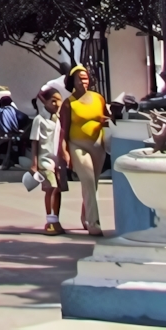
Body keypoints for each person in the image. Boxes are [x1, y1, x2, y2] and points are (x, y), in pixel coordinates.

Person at [59, 65, 109, 237]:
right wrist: (64, 151)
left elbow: (106, 118)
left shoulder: (98, 98)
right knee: (87, 180)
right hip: (78, 145)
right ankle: (94, 223)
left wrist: (106, 120)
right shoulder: (68, 103)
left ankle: (85, 216)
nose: (83, 81)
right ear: (72, 81)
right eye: (79, 78)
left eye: (85, 77)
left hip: (98, 145)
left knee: (92, 185)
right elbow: (64, 129)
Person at [30, 88, 66, 235]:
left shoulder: (59, 119)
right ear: (45, 101)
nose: (57, 104)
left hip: (57, 161)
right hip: (44, 161)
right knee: (51, 189)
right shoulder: (39, 120)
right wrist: (34, 163)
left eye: (59, 100)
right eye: (53, 100)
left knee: (58, 191)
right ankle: (49, 221)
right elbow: (34, 142)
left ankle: (56, 220)